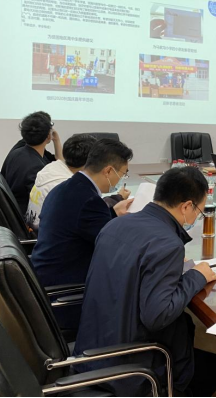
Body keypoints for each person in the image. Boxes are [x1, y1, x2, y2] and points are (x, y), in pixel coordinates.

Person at [74, 167, 216, 397]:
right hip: (130, 370)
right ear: (186, 206)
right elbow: (158, 316)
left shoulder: (114, 224)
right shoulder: (167, 244)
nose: (197, 217)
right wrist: (196, 276)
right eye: (199, 210)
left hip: (92, 349)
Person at [31, 139, 134, 329]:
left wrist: (113, 213)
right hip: (67, 296)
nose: (121, 179)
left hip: (45, 282)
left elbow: (82, 226)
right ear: (108, 171)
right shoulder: (89, 201)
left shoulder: (66, 187)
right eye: (122, 173)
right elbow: (115, 249)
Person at [1, 111, 63, 217]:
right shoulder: (37, 168)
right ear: (48, 136)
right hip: (25, 216)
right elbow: (44, 204)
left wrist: (56, 141)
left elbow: (59, 163)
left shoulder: (18, 151)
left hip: (12, 210)